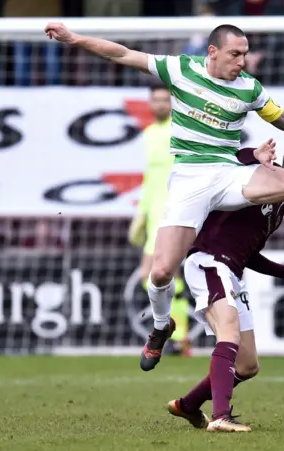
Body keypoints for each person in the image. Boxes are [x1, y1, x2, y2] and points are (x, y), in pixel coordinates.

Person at [44, 22, 284, 372]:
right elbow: (122, 54)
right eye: (235, 54)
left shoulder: (249, 89)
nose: (242, 61)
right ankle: (160, 326)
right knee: (161, 271)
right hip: (189, 179)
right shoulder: (181, 69)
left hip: (228, 173)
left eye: (245, 54)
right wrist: (74, 39)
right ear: (212, 52)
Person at [167, 139, 284, 432]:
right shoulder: (259, 174)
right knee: (228, 333)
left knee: (247, 365)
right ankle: (220, 417)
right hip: (209, 262)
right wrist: (252, 155)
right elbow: (224, 164)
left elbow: (249, 253)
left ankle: (188, 405)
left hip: (232, 271)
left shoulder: (278, 209)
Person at [128, 82, 192, 356]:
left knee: (156, 273)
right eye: (156, 99)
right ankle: (177, 333)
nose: (160, 104)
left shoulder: (180, 132)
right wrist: (141, 212)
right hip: (153, 213)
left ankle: (178, 333)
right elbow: (150, 178)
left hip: (172, 211)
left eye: (165, 100)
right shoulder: (149, 134)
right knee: (158, 275)